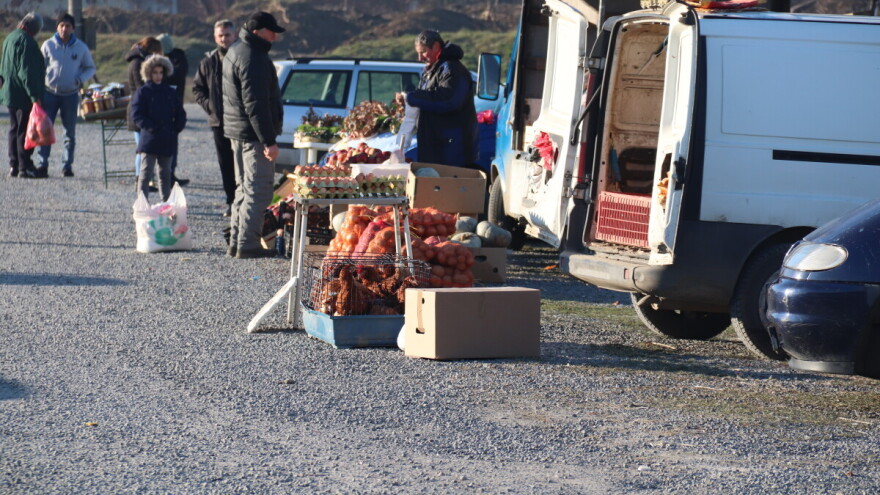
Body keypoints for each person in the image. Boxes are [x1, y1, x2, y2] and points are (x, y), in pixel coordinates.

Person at [222, 11, 284, 259]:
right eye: (272, 32)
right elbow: (256, 105)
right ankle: (248, 245)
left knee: (243, 190)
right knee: (258, 190)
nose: (275, 37)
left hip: (237, 132)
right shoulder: (254, 58)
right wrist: (269, 141)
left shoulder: (236, 50)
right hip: (253, 136)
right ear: (258, 31)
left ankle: (236, 243)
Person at [404, 30, 478, 168]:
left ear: (436, 47)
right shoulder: (431, 70)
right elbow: (428, 97)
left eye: (423, 52)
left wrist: (412, 98)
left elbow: (447, 101)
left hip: (450, 149)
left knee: (447, 187)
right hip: (436, 146)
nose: (420, 58)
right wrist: (408, 99)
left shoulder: (452, 69)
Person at [37, 12, 96, 178]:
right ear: (57, 27)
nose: (64, 29)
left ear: (72, 28)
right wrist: (39, 89)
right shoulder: (48, 45)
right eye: (61, 25)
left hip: (70, 95)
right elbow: (40, 68)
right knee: (45, 130)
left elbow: (90, 67)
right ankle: (42, 164)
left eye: (68, 26)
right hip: (49, 93)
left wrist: (80, 79)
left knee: (69, 132)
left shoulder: (81, 47)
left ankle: (67, 165)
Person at [192, 20, 238, 217]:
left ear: (234, 35)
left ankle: (244, 203)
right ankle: (231, 202)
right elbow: (197, 89)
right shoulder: (208, 61)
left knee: (242, 164)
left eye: (227, 35)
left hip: (241, 121)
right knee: (226, 163)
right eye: (220, 35)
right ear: (215, 37)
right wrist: (210, 107)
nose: (224, 39)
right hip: (219, 122)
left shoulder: (242, 57)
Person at [130, 54, 186, 202]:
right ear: (148, 73)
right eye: (155, 73)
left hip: (167, 138)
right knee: (145, 173)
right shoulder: (143, 92)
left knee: (165, 174)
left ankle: (166, 205)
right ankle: (142, 204)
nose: (158, 76)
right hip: (149, 139)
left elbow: (180, 113)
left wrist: (176, 128)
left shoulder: (170, 92)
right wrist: (152, 127)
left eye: (161, 72)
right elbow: (136, 114)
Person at [0, 12, 46, 179]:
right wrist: (34, 96)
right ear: (34, 28)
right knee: (24, 130)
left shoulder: (10, 37)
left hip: (9, 92)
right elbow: (26, 72)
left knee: (13, 128)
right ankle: (24, 166)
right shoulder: (27, 42)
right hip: (22, 94)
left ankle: (13, 164)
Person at [125, 36, 162, 180]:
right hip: (139, 109)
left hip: (142, 107)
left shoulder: (139, 60)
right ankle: (140, 178)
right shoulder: (137, 62)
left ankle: (144, 178)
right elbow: (141, 88)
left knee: (145, 147)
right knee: (143, 148)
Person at [156, 33, 189, 186]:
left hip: (174, 105)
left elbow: (176, 74)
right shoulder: (159, 60)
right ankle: (162, 175)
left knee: (172, 142)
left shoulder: (178, 58)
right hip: (159, 104)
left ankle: (170, 173)